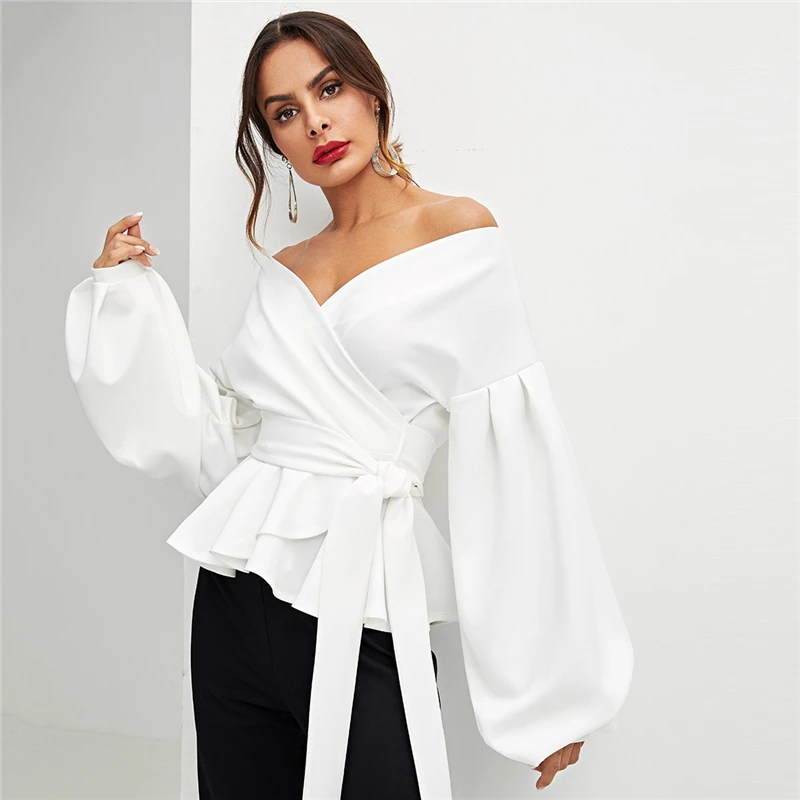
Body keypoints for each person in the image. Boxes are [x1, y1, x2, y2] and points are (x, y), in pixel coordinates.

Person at [65, 10, 634, 799]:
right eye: (284, 112)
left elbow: (512, 466)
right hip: (233, 603)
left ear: (371, 92)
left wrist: (552, 692)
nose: (315, 122)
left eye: (328, 88)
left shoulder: (458, 235)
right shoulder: (285, 270)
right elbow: (222, 438)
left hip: (368, 599)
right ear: (274, 141)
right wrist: (124, 299)